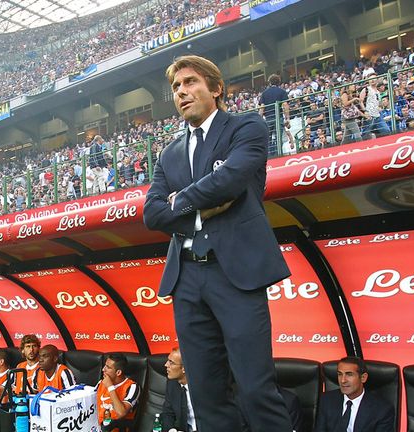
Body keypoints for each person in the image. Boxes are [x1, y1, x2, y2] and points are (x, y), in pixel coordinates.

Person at [143, 55, 293, 432]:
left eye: (190, 82)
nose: (182, 92)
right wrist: (197, 212)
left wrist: (178, 201)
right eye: (176, 87)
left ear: (216, 88)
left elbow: (229, 180)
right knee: (206, 395)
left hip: (236, 276)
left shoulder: (247, 127)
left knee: (256, 389)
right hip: (187, 279)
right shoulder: (169, 153)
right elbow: (152, 214)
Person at [314, 357, 395, 432]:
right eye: (340, 374)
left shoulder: (382, 409)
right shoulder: (326, 400)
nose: (343, 380)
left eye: (349, 374)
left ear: (363, 378)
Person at [96, 354, 140, 431]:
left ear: (118, 372)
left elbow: (121, 413)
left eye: (108, 367)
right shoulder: (101, 383)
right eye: (104, 366)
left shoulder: (132, 387)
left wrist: (110, 387)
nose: (103, 369)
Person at [160, 348, 197, 432]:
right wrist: (171, 430)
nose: (166, 365)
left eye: (171, 362)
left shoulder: (202, 388)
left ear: (184, 368)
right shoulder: (172, 383)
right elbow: (167, 413)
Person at [259, 74, 290, 155]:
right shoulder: (282, 91)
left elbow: (262, 107)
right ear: (279, 82)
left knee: (267, 139)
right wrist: (287, 118)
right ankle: (278, 155)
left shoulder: (264, 93)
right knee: (278, 138)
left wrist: (259, 120)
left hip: (268, 119)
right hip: (278, 118)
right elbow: (285, 105)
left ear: (270, 82)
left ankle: (270, 156)